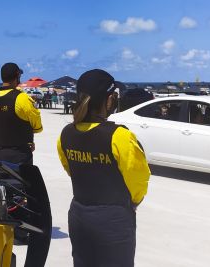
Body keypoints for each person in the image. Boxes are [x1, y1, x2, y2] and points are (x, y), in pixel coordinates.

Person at [57, 69, 150, 267]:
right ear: (108, 100)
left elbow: (70, 169)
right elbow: (138, 180)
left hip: (79, 214)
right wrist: (133, 202)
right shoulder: (119, 136)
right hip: (112, 219)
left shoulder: (66, 134)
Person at [0, 62, 43, 168]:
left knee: (3, 184)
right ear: (17, 76)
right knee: (21, 184)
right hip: (19, 155)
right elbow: (37, 127)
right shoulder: (22, 98)